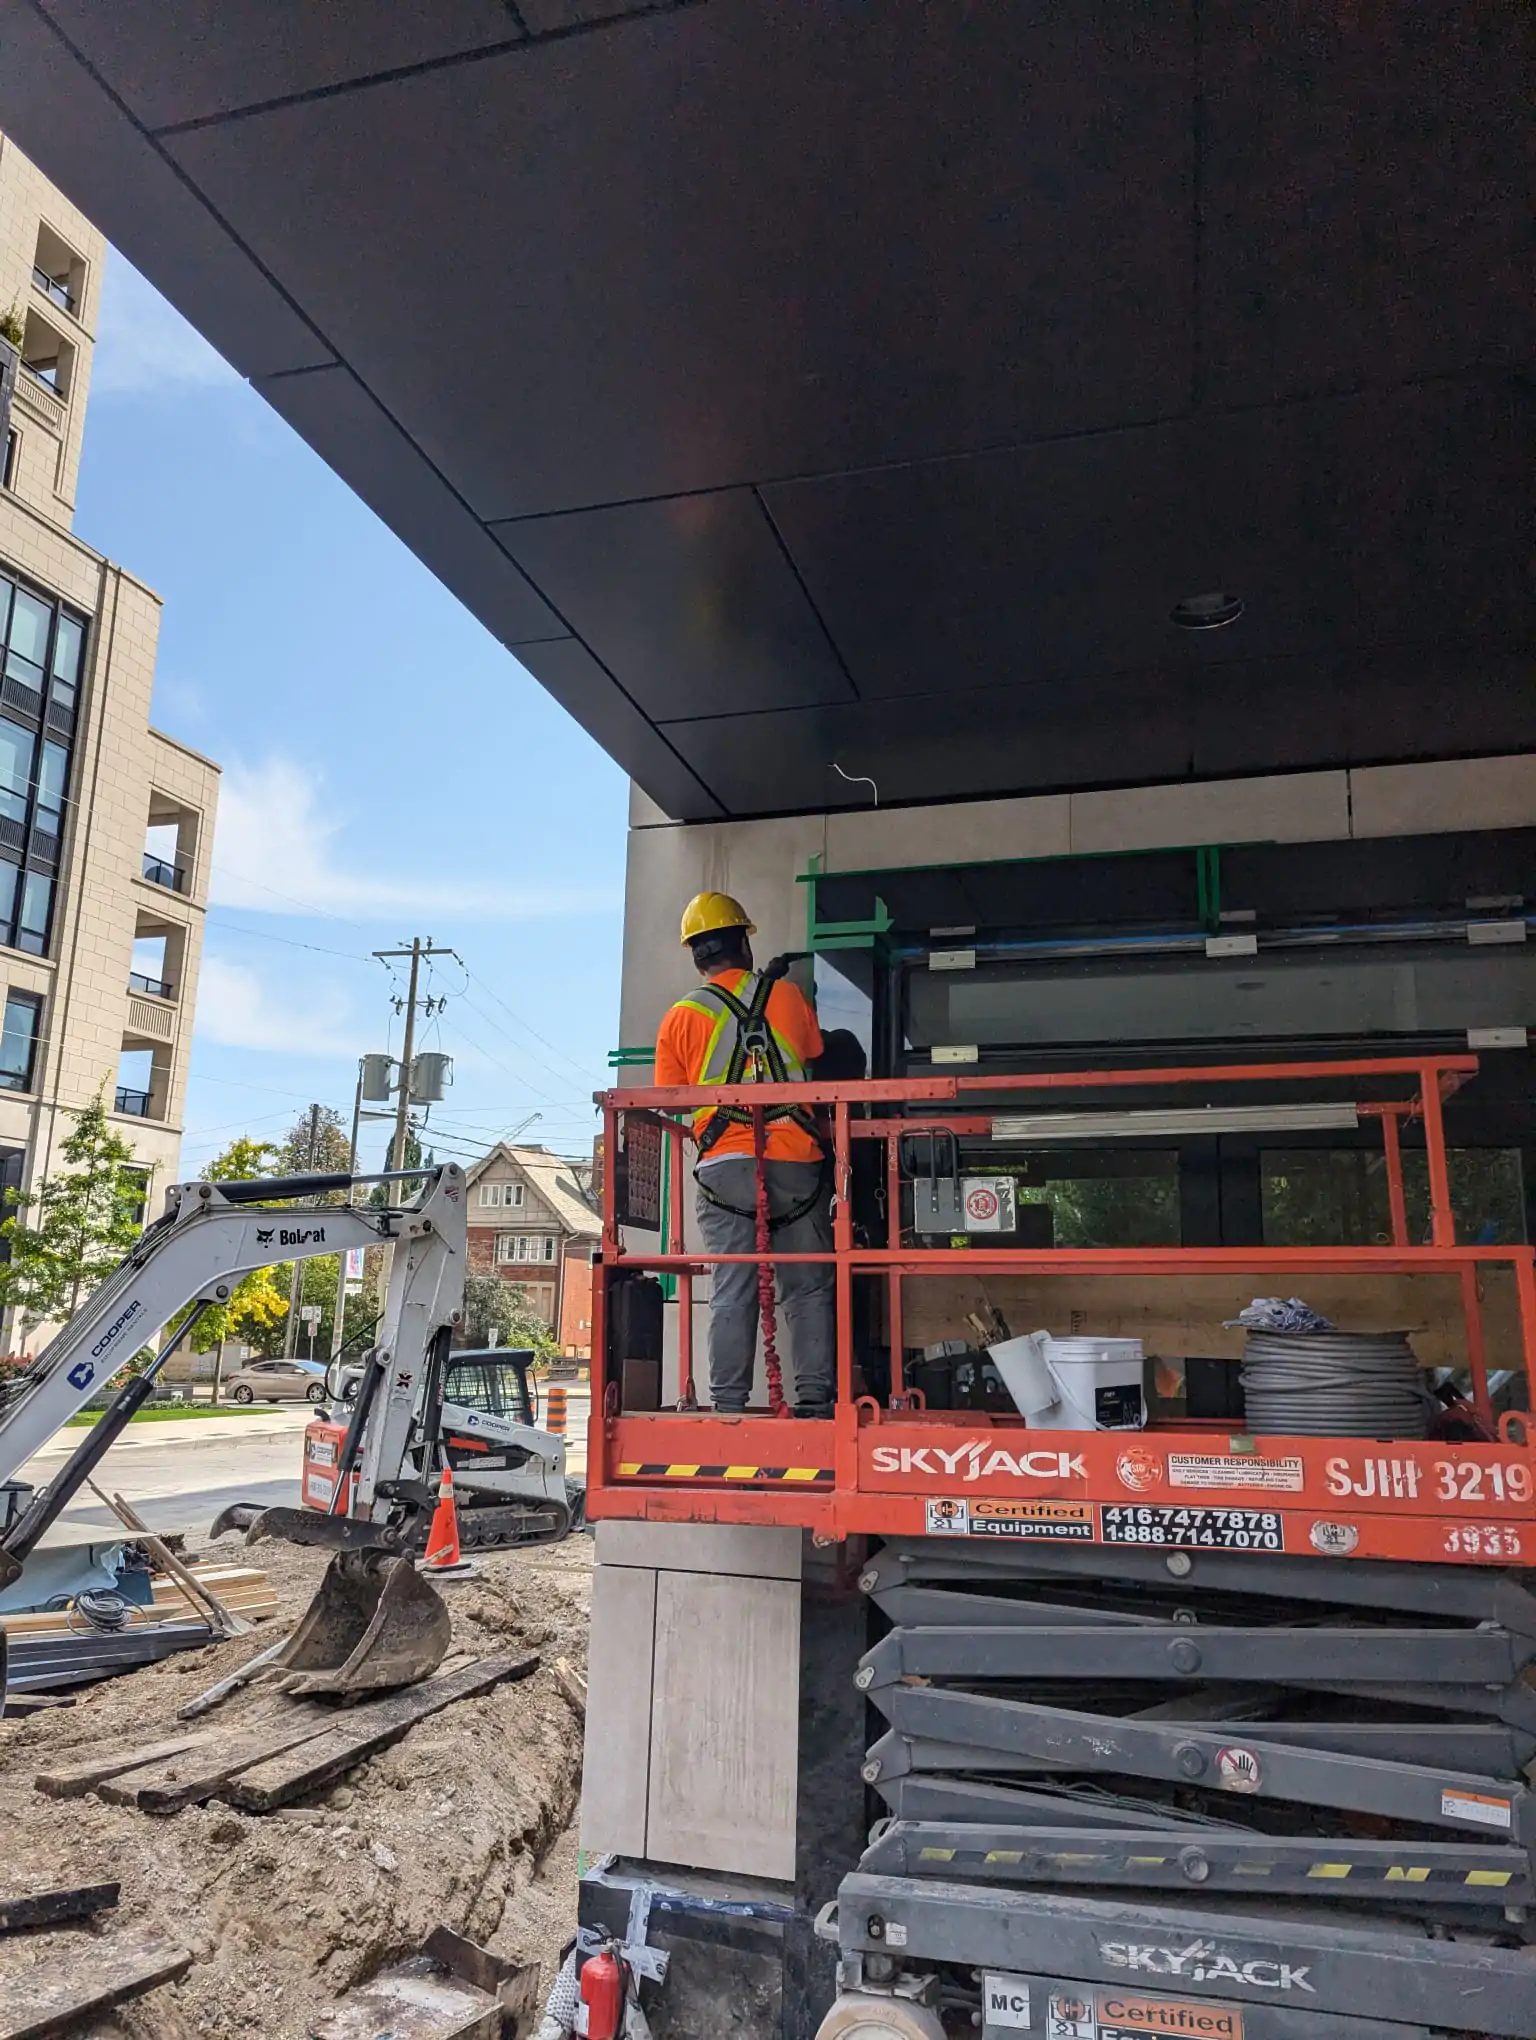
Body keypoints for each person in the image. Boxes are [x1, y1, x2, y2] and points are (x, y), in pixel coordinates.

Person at [654, 891, 834, 1417]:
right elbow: (814, 1051)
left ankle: (728, 1405)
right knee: (807, 1287)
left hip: (725, 1168)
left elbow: (672, 1101)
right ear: (744, 944)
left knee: (734, 1286)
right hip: (795, 1159)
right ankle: (814, 1400)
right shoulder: (788, 996)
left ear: (697, 956)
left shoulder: (681, 1016)